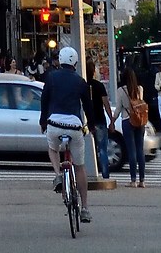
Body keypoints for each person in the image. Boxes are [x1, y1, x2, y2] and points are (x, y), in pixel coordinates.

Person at [39, 45, 91, 225]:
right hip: (75, 126)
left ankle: (58, 174)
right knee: (80, 167)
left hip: (54, 123)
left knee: (53, 149)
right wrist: (90, 125)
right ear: (75, 62)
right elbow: (88, 106)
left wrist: (43, 122)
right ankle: (84, 208)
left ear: (60, 61)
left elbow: (44, 101)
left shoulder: (51, 78)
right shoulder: (80, 81)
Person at [118, 68, 148, 187]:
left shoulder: (121, 90)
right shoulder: (140, 89)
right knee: (140, 150)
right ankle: (142, 180)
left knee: (132, 151)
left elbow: (118, 109)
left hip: (127, 121)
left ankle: (133, 180)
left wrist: (112, 121)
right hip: (140, 121)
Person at [85, 65, 113, 180]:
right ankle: (105, 174)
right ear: (93, 72)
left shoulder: (83, 85)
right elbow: (106, 103)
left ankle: (88, 172)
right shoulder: (99, 85)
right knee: (102, 149)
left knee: (87, 148)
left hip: (87, 120)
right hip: (100, 120)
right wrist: (111, 119)